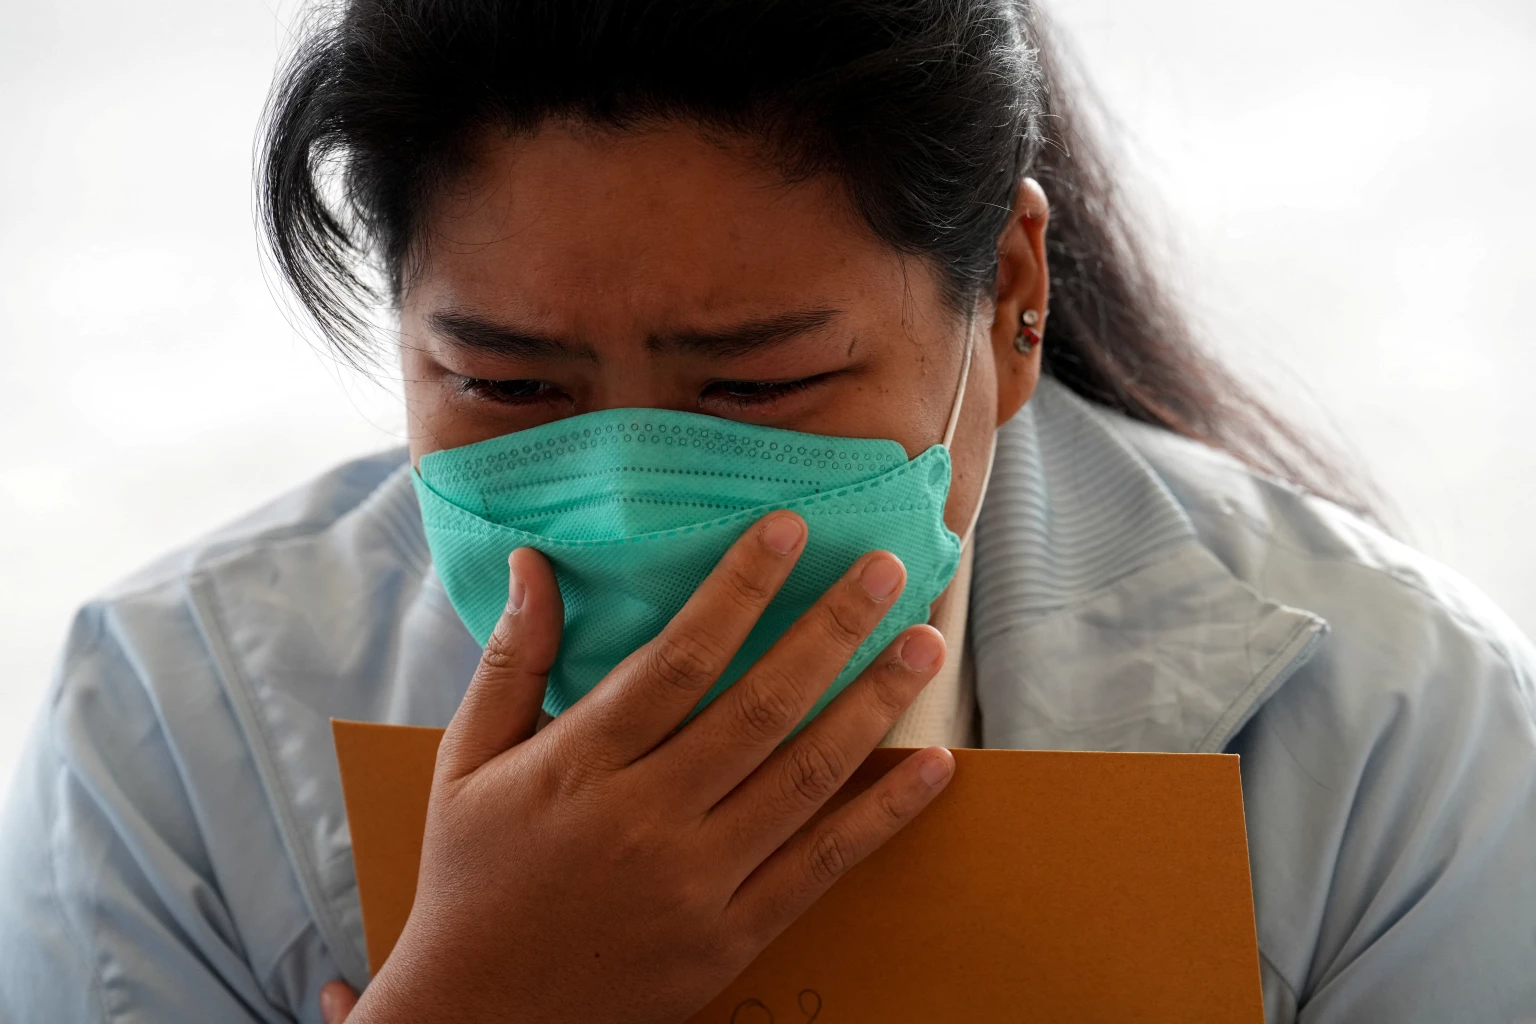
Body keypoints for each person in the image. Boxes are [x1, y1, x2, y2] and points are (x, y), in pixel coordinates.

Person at [2, 0, 1533, 1021]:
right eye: (509, 389)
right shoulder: (172, 732)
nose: (627, 501)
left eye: (757, 388)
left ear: (1007, 294)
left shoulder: (1394, 727)